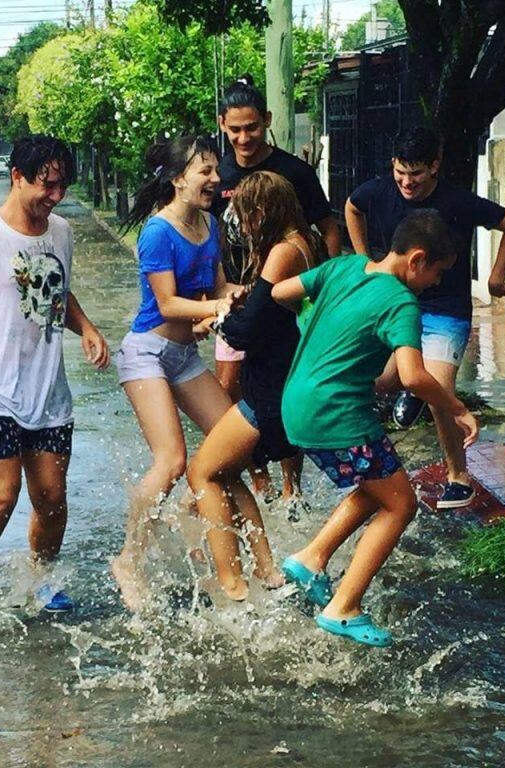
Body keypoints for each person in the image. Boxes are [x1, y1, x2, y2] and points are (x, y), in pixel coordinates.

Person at [272, 210, 479, 647]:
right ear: (417, 260)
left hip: (297, 402)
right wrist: (457, 409)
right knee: (401, 505)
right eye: (437, 273)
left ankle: (312, 558)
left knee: (379, 484)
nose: (436, 284)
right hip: (337, 412)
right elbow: (413, 377)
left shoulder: (344, 266)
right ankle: (344, 607)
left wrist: (312, 320)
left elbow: (281, 291)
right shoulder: (400, 301)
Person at [0, 134, 110, 631]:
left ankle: (42, 579)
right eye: (47, 185)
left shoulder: (62, 233)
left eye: (62, 186)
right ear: (17, 177)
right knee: (1, 497)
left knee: (52, 499)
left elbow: (60, 292)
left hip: (47, 391)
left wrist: (88, 327)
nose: (55, 196)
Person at [345, 126, 505, 510]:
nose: (407, 183)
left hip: (444, 309)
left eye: (416, 174)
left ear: (435, 167)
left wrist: (495, 278)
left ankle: (458, 477)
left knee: (439, 390)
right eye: (401, 173)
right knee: (378, 381)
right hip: (397, 306)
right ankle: (382, 442)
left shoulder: (456, 201)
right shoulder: (379, 191)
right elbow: (352, 207)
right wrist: (365, 260)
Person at [111, 135, 239, 612]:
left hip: (184, 357)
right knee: (171, 461)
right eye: (204, 170)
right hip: (146, 353)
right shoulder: (157, 233)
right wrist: (215, 307)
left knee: (234, 441)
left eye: (214, 169)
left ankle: (189, 510)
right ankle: (128, 559)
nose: (214, 178)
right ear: (177, 177)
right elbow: (166, 303)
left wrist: (256, 294)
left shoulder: (210, 224)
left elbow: (221, 285)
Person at [187, 171, 323, 600]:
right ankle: (267, 573)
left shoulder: (282, 252)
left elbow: (247, 332)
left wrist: (222, 317)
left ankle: (234, 586)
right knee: (227, 470)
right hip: (285, 385)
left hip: (269, 392)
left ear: (260, 213)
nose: (240, 226)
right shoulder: (309, 241)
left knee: (203, 473)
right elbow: (272, 310)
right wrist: (243, 304)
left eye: (243, 216)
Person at [212, 75, 341, 505]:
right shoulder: (218, 172)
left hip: (283, 294)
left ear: (266, 121)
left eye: (252, 127)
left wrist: (321, 283)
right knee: (231, 385)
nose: (244, 137)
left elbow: (328, 227)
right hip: (238, 291)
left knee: (281, 384)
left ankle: (291, 484)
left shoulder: (294, 172)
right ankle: (258, 476)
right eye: (235, 130)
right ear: (223, 125)